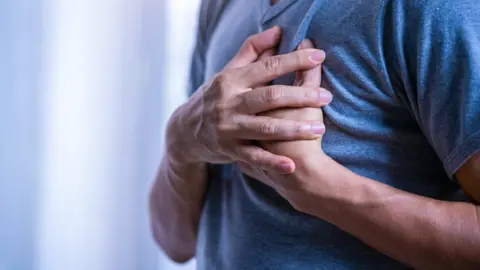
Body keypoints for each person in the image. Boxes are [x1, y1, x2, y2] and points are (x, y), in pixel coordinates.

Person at [150, 0, 480, 269]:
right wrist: (180, 143)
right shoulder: (219, 6)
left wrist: (325, 190)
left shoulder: (434, 8)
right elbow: (177, 243)